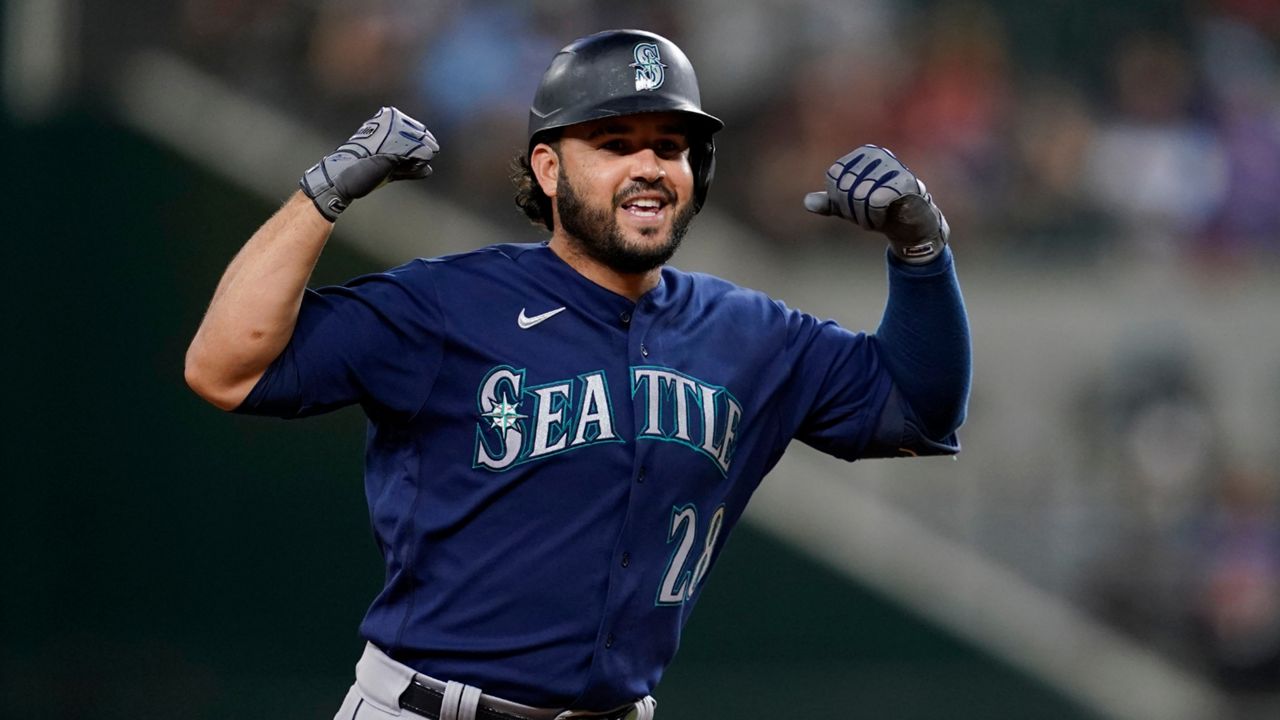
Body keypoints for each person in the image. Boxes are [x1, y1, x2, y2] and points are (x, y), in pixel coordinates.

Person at [185, 28, 970, 720]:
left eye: (669, 147)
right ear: (549, 169)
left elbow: (918, 408)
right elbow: (225, 368)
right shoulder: (447, 304)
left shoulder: (754, 335)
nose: (649, 166)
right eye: (615, 142)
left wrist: (922, 250)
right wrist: (319, 197)